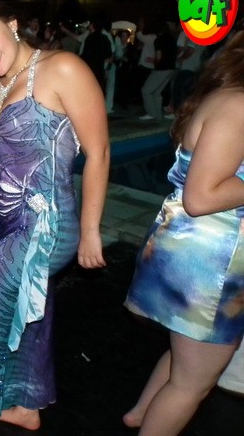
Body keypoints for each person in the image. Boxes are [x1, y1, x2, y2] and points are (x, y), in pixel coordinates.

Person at [0, 0, 110, 435]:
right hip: (9, 221)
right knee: (25, 313)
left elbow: (99, 151)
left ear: (12, 24)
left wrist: (90, 230)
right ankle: (25, 406)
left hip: (47, 225)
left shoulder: (62, 67)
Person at [122, 31, 244, 436]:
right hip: (211, 261)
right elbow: (201, 196)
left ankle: (140, 414)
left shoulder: (229, 98)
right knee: (193, 383)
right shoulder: (238, 105)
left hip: (195, 248)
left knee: (185, 359)